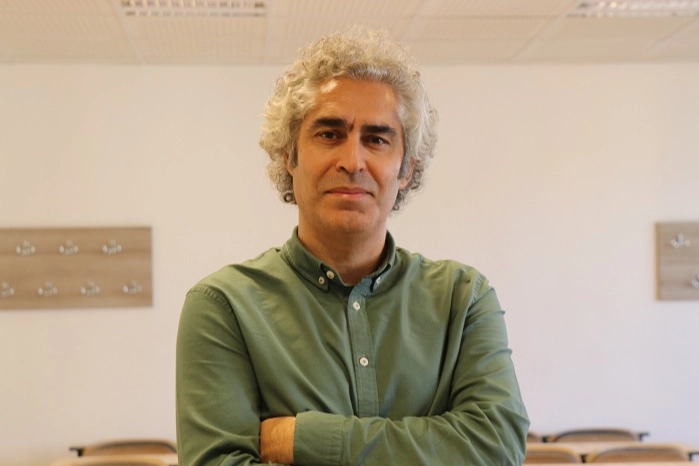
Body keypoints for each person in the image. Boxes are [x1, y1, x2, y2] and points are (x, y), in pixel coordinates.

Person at [176, 26, 529, 466]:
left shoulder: (464, 300)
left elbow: (497, 449)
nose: (352, 161)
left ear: (406, 168)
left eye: (377, 139)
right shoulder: (224, 307)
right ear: (289, 155)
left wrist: (304, 438)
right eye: (329, 134)